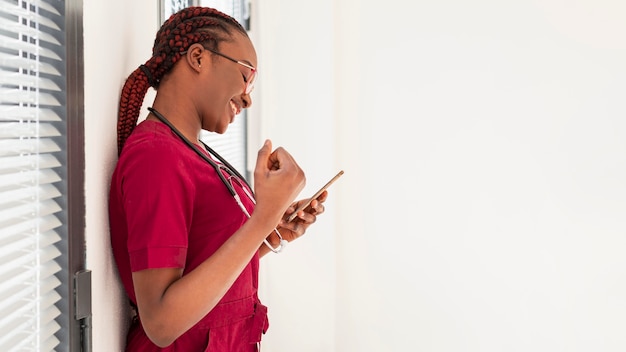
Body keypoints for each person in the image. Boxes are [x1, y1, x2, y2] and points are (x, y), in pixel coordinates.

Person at [109, 6, 327, 351]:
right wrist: (262, 219)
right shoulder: (156, 156)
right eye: (246, 76)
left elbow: (203, 262)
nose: (248, 97)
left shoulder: (193, 151)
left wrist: (271, 232)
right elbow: (162, 323)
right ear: (198, 57)